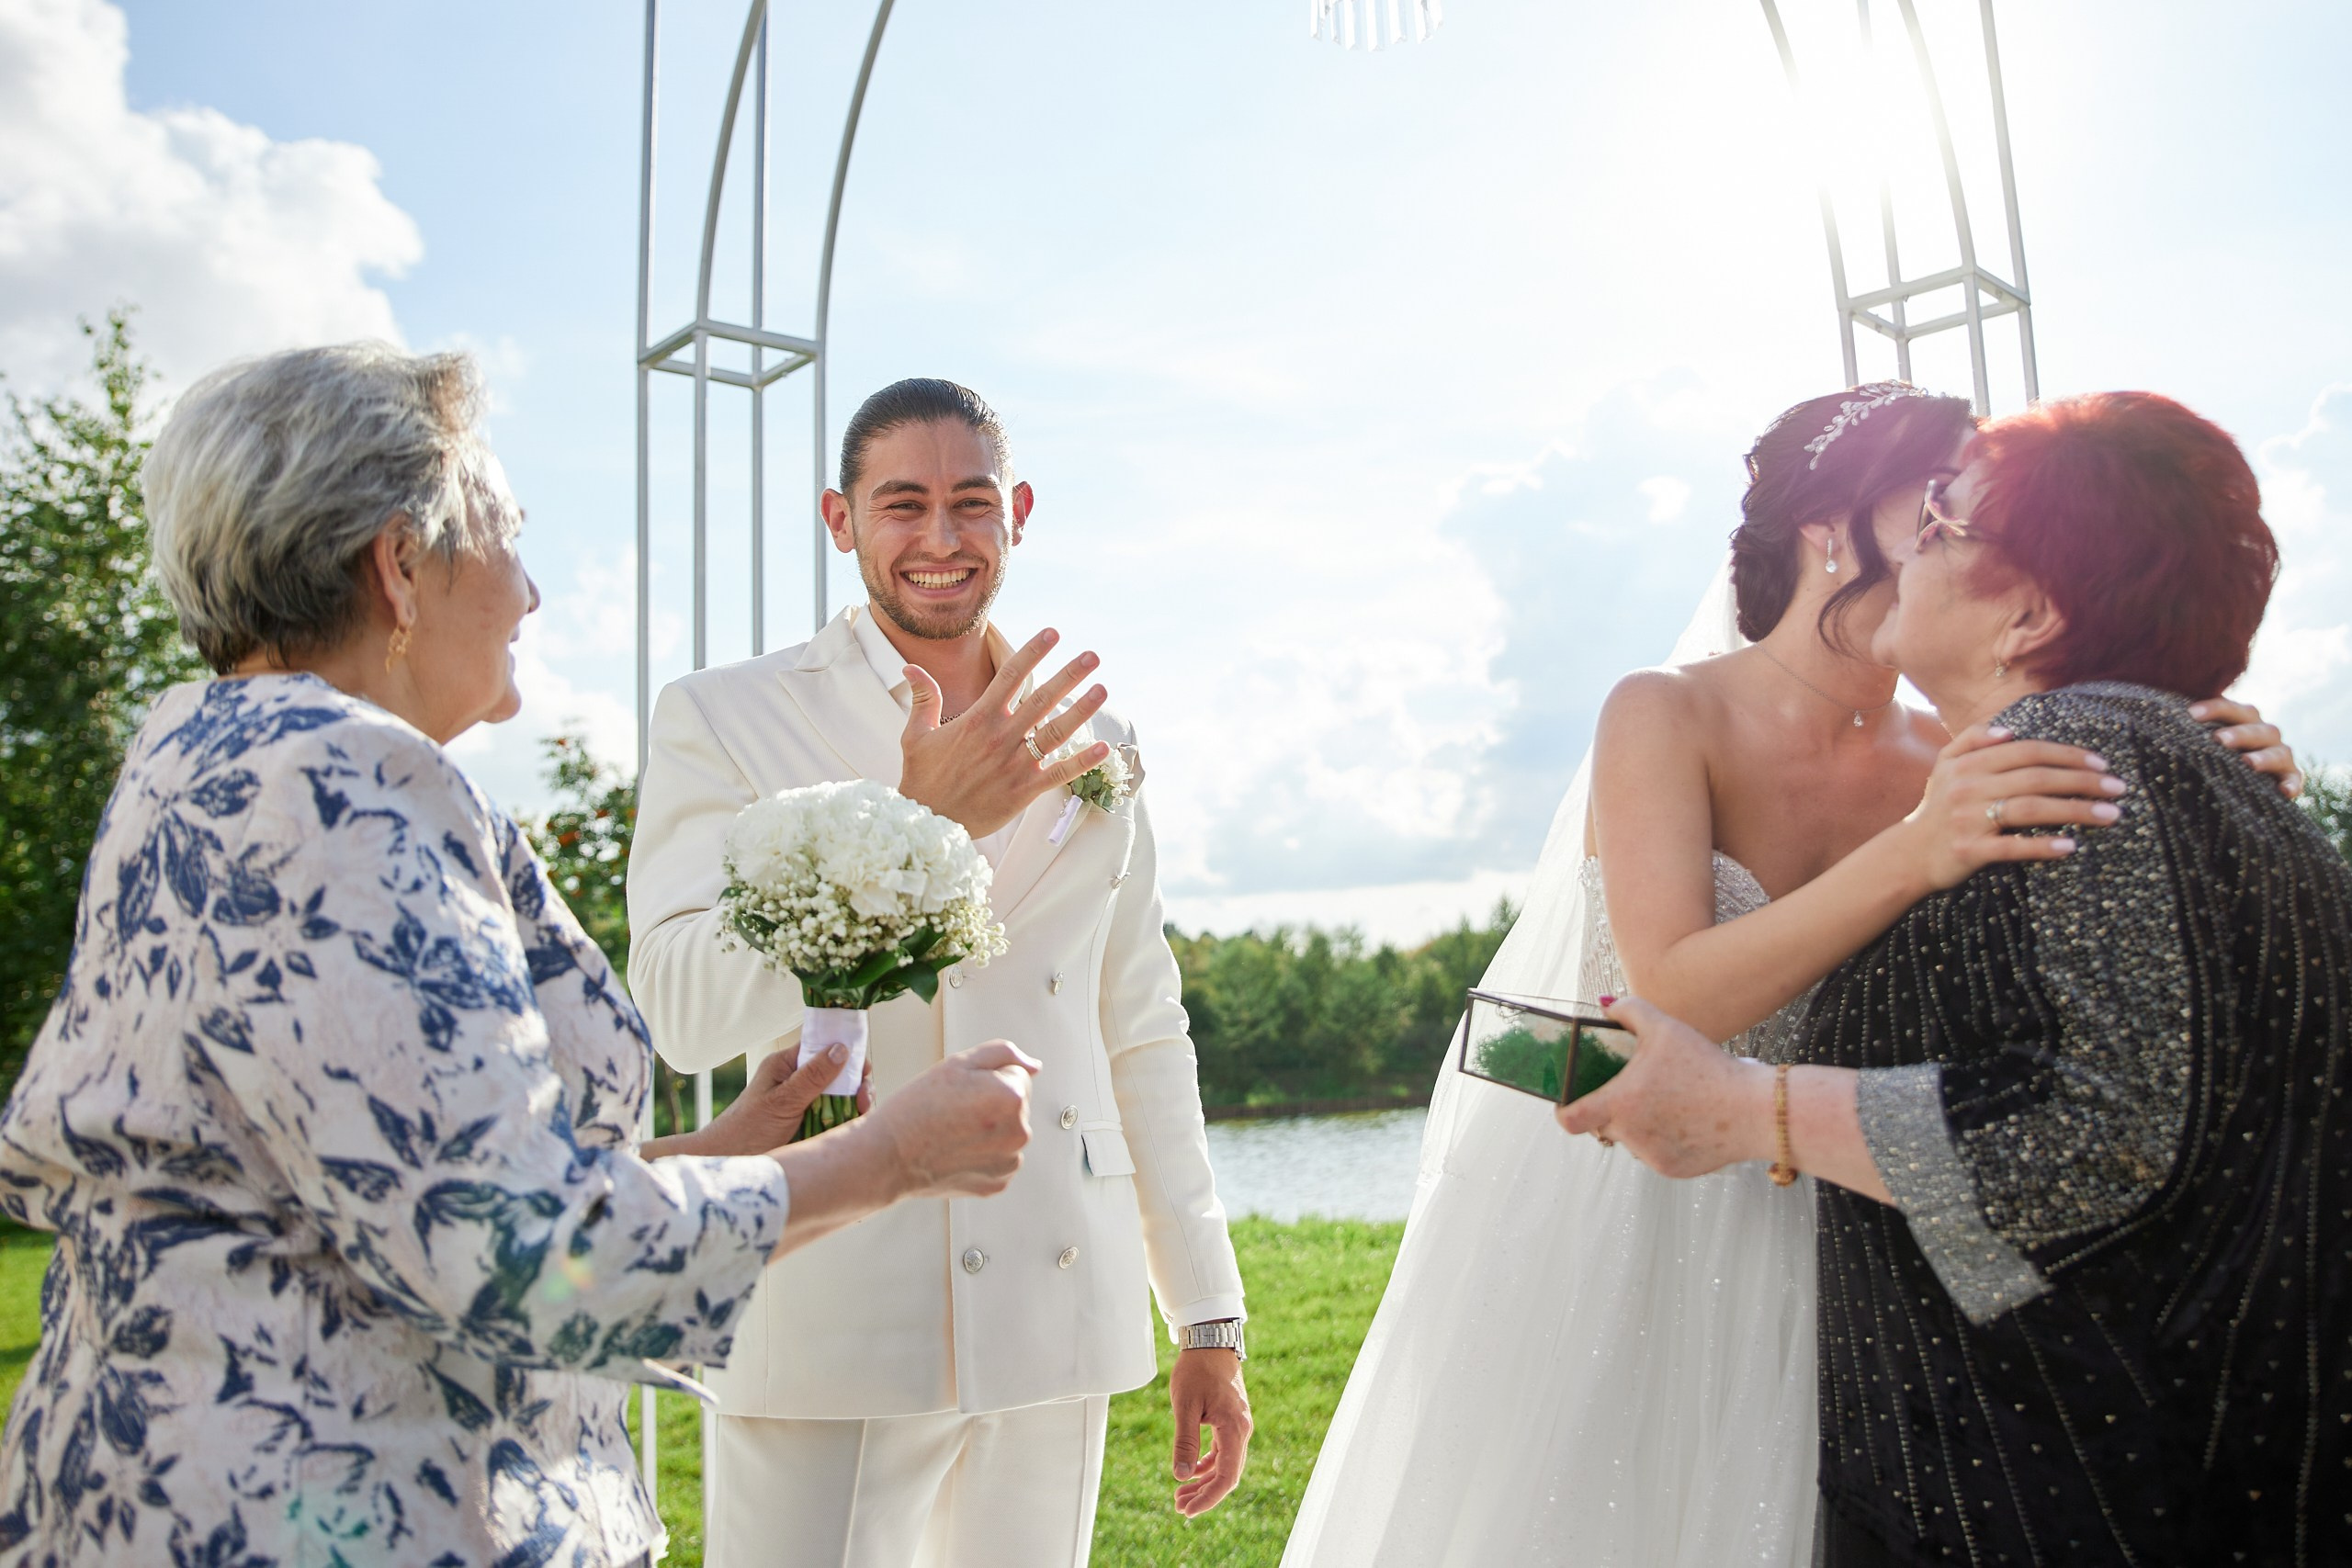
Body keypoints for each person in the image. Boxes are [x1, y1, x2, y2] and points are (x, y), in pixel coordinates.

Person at [0, 344, 1040, 1568]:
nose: (533, 593)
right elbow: (519, 1259)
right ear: (398, 567)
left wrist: (719, 1151)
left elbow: (393, 1188)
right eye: (505, 536)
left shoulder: (201, 753)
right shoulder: (341, 788)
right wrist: (894, 1156)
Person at [1283, 384, 2304, 1566]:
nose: (1953, 538)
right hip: (1649, 1210)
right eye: (1932, 507)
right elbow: (1669, 991)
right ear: (1828, 525)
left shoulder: (1959, 752)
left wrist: (2204, 744)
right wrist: (1914, 850)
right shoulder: (1667, 714)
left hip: (1860, 1213)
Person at [1564, 390, 2351, 1565]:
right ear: (1827, 524)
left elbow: (2108, 1122)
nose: (1923, 540)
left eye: (1948, 522)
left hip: (2023, 1418)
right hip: (1785, 1256)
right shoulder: (2014, 756)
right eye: (1922, 509)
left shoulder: (2053, 762)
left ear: (2028, 610)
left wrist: (1752, 1109)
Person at [627, 378, 1250, 1568]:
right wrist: (921, 822)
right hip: (833, 1302)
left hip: (1055, 1298)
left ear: (1017, 514)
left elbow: (1138, 1026)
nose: (941, 536)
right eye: (903, 504)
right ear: (841, 519)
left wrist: (1207, 1313)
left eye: (971, 502)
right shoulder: (725, 714)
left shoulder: (1098, 741)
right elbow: (681, 1008)